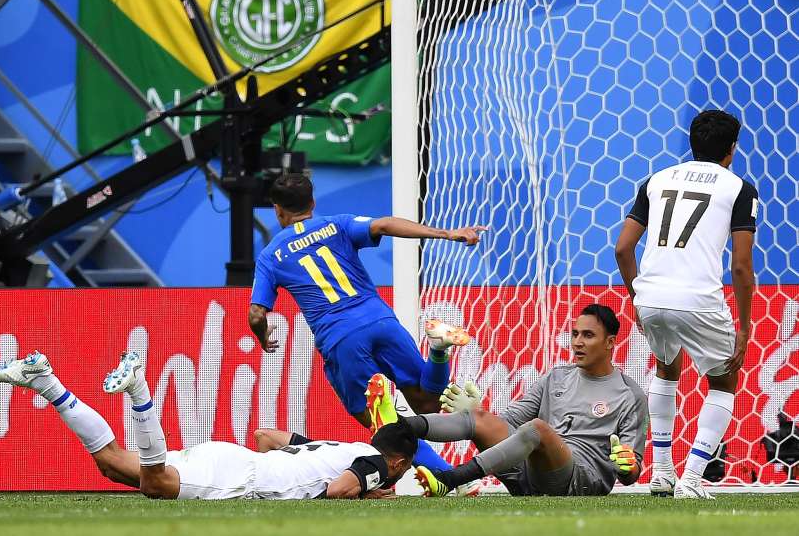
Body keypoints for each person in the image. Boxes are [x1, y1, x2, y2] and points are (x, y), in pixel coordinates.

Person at [248, 173, 485, 488]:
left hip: (342, 340)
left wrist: (262, 334)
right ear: (313, 203)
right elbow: (385, 224)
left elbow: (255, 313)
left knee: (382, 426)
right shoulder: (339, 224)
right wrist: (446, 234)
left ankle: (453, 480)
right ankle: (438, 351)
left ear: (277, 210)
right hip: (380, 322)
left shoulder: (271, 255)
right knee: (428, 404)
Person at [0, 351, 416, 500]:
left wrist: (288, 470)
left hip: (229, 457)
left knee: (113, 465)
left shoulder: (336, 447)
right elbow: (342, 489)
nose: (398, 477)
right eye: (404, 471)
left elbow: (266, 435)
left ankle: (45, 380)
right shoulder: (376, 461)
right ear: (397, 461)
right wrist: (368, 493)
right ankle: (139, 390)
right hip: (238, 479)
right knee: (154, 484)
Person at [615, 109, 757, 499]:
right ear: (731, 149)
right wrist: (745, 326)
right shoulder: (738, 188)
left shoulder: (656, 180)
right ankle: (692, 479)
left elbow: (623, 248)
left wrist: (636, 298)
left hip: (651, 295)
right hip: (698, 297)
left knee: (666, 368)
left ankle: (662, 472)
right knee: (724, 380)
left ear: (692, 144)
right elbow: (741, 267)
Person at [367, 304, 648, 497]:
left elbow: (630, 471)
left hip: (579, 481)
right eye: (575, 334)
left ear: (610, 342)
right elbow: (510, 422)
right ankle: (398, 426)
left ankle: (449, 479)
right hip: (530, 474)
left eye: (588, 335)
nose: (577, 342)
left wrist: (627, 465)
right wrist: (475, 412)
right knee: (481, 419)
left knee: (538, 429)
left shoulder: (629, 395)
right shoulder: (556, 378)